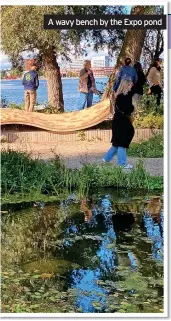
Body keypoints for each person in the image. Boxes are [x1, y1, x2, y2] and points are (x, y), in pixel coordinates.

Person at [103, 79, 135, 169]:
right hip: (122, 121)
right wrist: (132, 107)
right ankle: (122, 164)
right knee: (121, 142)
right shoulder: (125, 97)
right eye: (130, 85)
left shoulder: (119, 96)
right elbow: (129, 109)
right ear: (126, 86)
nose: (131, 86)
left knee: (117, 142)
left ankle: (106, 159)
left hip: (118, 120)